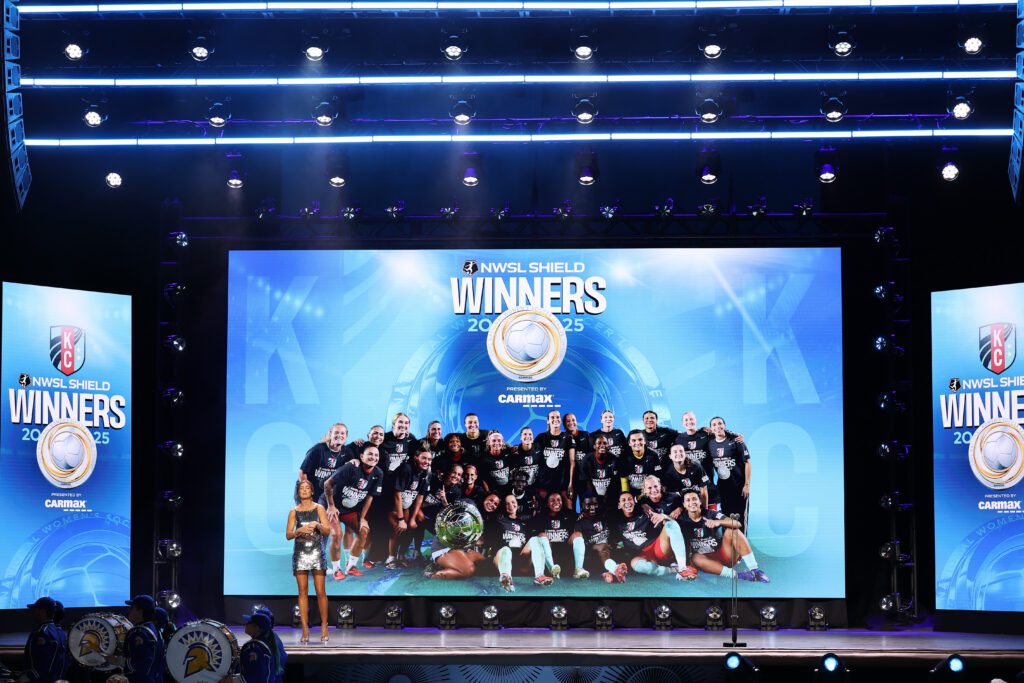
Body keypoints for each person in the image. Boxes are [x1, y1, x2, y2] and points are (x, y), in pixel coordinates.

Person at [678, 490, 768, 582]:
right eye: (688, 500)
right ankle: (737, 575)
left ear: (700, 501)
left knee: (733, 531)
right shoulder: (681, 520)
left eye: (694, 499)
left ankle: (755, 570)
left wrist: (718, 522)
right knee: (695, 558)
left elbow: (737, 523)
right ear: (684, 505)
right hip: (705, 561)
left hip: (723, 555)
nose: (692, 502)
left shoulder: (710, 513)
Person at [324, 445, 384, 580]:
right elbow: (327, 484)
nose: (373, 457)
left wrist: (362, 518)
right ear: (361, 457)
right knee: (337, 534)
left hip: (348, 509)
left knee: (363, 531)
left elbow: (370, 497)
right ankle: (336, 569)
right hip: (332, 505)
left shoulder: (378, 473)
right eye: (370, 454)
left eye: (376, 455)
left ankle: (351, 566)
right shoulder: (351, 467)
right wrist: (331, 506)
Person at [613, 492, 696, 582]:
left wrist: (664, 517)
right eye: (623, 500)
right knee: (637, 566)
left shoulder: (646, 511)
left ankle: (683, 568)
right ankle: (673, 570)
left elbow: (669, 523)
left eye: (630, 499)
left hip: (658, 548)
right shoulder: (616, 520)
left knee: (671, 524)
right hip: (642, 555)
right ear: (619, 505)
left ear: (634, 502)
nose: (627, 502)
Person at [286, 480, 330, 642]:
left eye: (307, 488)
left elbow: (327, 530)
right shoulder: (294, 511)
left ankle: (324, 625)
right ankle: (305, 629)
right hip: (301, 553)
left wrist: (318, 525)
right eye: (301, 488)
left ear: (312, 491)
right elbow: (288, 535)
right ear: (298, 493)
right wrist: (298, 530)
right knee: (302, 591)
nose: (304, 490)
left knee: (320, 591)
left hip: (317, 551)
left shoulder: (319, 508)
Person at [674, 411, 743, 512]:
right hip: (689, 487)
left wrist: (734, 435)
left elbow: (720, 432)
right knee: (692, 517)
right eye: (686, 420)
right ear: (682, 423)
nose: (689, 422)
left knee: (710, 516)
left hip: (708, 486)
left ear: (695, 420)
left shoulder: (706, 435)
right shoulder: (679, 439)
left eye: (691, 419)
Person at [493, 494, 554, 591]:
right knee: (506, 550)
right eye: (507, 503)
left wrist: (537, 508)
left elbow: (540, 520)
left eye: (513, 502)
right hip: (502, 559)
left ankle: (539, 575)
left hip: (520, 560)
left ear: (517, 504)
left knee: (535, 539)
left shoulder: (524, 522)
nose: (510, 505)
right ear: (504, 506)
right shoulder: (499, 520)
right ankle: (506, 578)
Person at [386, 445, 432, 568]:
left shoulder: (425, 473)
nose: (426, 462)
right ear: (416, 458)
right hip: (391, 505)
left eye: (429, 459)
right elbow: (397, 495)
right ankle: (391, 558)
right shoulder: (406, 469)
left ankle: (401, 555)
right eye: (424, 458)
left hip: (406, 507)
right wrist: (401, 519)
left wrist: (412, 519)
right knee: (398, 527)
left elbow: (420, 498)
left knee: (411, 526)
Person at [708, 416, 751, 531]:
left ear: (724, 425)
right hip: (723, 487)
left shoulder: (736, 441)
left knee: (740, 517)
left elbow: (747, 463)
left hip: (739, 487)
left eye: (720, 423)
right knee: (726, 516)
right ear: (711, 429)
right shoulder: (710, 444)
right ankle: (727, 540)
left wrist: (747, 484)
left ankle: (742, 541)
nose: (717, 426)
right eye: (714, 425)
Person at [570, 495, 624, 582]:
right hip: (593, 553)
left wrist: (616, 543)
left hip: (610, 549)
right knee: (602, 547)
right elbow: (582, 545)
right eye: (588, 505)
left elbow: (614, 534)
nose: (592, 508)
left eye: (595, 504)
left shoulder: (604, 516)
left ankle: (611, 572)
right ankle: (614, 569)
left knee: (620, 546)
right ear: (582, 506)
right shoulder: (579, 523)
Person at [533, 410, 575, 508]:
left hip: (562, 482)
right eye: (552, 417)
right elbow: (532, 455)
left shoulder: (568, 437)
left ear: (560, 420)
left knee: (569, 509)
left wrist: (570, 483)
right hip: (544, 482)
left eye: (557, 417)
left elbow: (572, 461)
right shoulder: (541, 437)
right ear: (548, 421)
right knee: (541, 512)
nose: (555, 419)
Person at [531, 490, 576, 580]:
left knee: (578, 534)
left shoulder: (569, 515)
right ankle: (552, 569)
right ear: (547, 503)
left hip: (565, 554)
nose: (556, 502)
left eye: (559, 500)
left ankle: (578, 569)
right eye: (552, 500)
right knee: (541, 535)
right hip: (548, 554)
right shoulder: (541, 517)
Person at [20, 597, 67, 683]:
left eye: (36, 610)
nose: (33, 613)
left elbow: (44, 662)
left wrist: (28, 676)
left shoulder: (41, 632)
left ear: (42, 612)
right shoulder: (60, 633)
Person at [123, 595, 165, 683]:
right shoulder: (154, 628)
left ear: (140, 611)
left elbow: (142, 663)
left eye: (132, 608)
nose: (129, 610)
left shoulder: (139, 632)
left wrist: (118, 661)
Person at [239, 609, 286, 683]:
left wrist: (233, 681)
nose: (246, 624)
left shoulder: (254, 648)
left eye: (249, 622)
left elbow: (255, 677)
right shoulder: (271, 639)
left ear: (257, 628)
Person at [661, 443, 710, 508]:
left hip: (697, 502)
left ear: (685, 454)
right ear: (670, 456)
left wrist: (705, 510)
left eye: (681, 451)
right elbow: (671, 497)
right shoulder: (668, 473)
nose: (679, 454)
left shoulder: (696, 467)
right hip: (680, 504)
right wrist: (679, 509)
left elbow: (703, 491)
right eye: (675, 452)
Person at [617, 430, 663, 497]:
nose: (637, 443)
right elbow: (624, 479)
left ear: (644, 441)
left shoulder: (653, 455)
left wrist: (648, 494)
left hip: (648, 491)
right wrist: (627, 495)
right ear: (629, 443)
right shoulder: (624, 456)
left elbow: (656, 478)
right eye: (634, 440)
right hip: (631, 491)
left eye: (640, 439)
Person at [578, 434, 617, 502]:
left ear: (608, 446)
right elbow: (586, 482)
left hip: (609, 494)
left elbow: (614, 481)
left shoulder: (613, 459)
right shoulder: (586, 459)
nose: (602, 445)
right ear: (594, 446)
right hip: (592, 494)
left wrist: (608, 496)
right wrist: (594, 497)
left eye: (605, 443)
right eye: (599, 443)